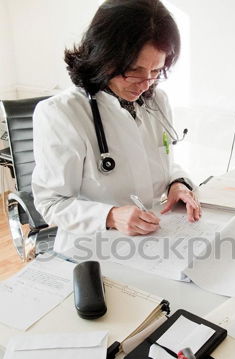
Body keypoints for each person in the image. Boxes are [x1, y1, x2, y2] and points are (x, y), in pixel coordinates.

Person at [32, 0, 200, 253]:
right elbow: (51, 203)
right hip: (92, 249)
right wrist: (110, 216)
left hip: (153, 243)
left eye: (156, 70)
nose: (145, 83)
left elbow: (156, 161)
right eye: (134, 71)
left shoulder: (157, 100)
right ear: (103, 57)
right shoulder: (61, 113)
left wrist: (177, 183)